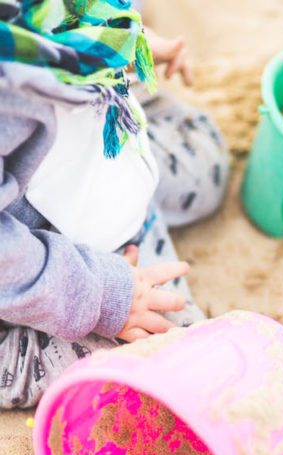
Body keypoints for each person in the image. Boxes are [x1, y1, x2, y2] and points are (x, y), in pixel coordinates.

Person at [0, 0, 229, 409]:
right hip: (41, 267)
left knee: (207, 168)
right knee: (173, 358)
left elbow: (70, 14)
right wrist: (103, 295)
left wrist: (123, 40)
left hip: (100, 166)